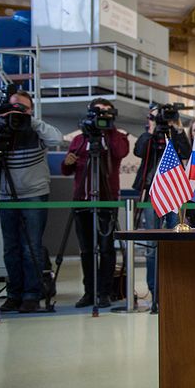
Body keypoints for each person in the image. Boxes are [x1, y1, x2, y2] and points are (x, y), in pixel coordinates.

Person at [0, 90, 63, 313]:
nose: (17, 113)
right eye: (13, 108)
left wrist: (29, 120)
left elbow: (57, 138)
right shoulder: (3, 130)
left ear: (31, 110)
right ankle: (14, 293)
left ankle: (31, 294)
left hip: (34, 192)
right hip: (6, 194)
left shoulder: (36, 129)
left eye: (22, 108)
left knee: (30, 246)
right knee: (10, 248)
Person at [61, 98, 129, 308]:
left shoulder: (117, 137)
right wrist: (67, 162)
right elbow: (67, 169)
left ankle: (105, 292)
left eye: (108, 112)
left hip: (107, 199)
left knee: (107, 248)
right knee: (87, 249)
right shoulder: (80, 139)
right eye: (99, 112)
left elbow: (120, 152)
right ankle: (89, 292)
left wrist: (109, 131)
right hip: (83, 198)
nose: (103, 115)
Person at [133, 103, 191, 301]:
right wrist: (151, 128)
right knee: (153, 243)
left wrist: (177, 128)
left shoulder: (175, 134)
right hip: (152, 193)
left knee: (177, 239)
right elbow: (139, 151)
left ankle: (178, 285)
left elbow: (186, 152)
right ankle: (155, 290)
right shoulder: (149, 134)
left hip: (174, 193)